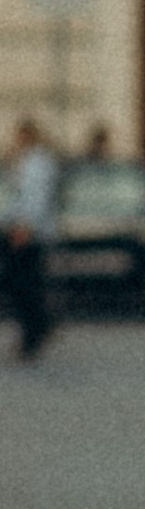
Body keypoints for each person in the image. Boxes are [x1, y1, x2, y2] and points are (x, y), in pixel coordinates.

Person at [2, 117, 61, 361]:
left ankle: (35, 332)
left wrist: (24, 227)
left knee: (23, 286)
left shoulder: (38, 163)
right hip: (19, 229)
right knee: (25, 285)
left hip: (27, 234)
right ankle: (39, 327)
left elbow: (35, 199)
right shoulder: (26, 160)